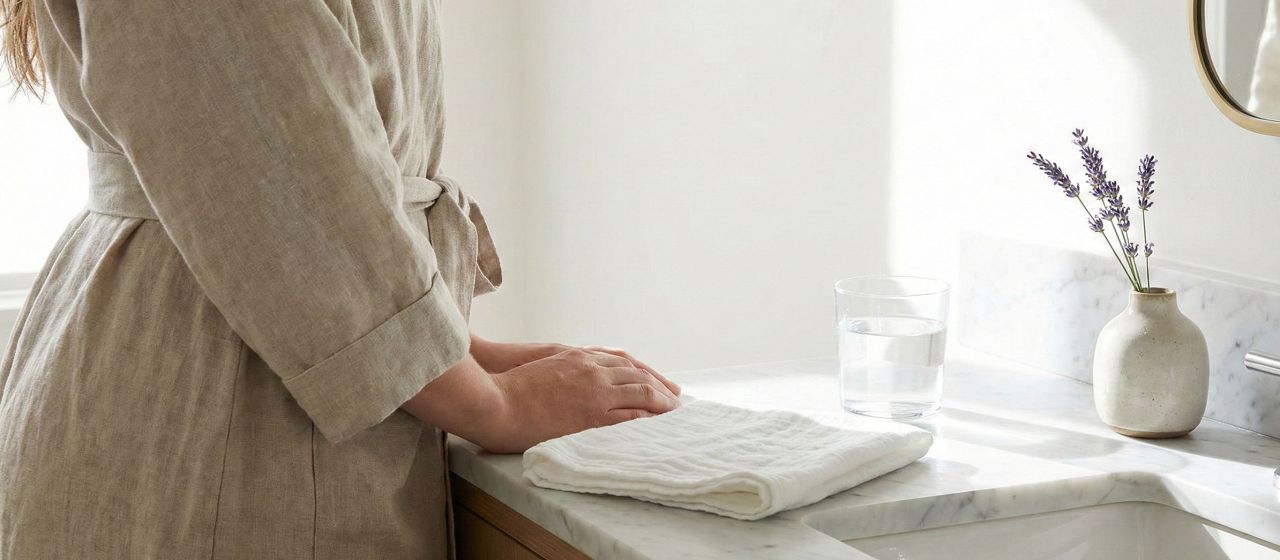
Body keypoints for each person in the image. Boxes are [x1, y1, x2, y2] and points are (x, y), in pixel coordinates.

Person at [0, 1, 681, 558]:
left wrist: (460, 355)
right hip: (212, 410)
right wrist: (494, 405)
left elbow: (293, 162)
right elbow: (280, 182)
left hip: (218, 358)